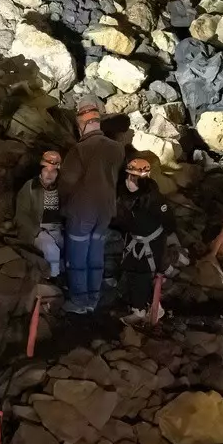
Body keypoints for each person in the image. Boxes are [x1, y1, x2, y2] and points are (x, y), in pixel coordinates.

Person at [62, 105, 127, 314]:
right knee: (96, 252)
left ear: (81, 125)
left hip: (83, 210)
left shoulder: (80, 149)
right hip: (106, 209)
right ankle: (93, 298)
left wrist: (61, 205)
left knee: (78, 255)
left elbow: (67, 181)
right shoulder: (118, 148)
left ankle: (80, 302)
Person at [110, 157, 174, 320]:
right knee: (131, 270)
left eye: (134, 178)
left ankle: (141, 309)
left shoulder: (154, 198)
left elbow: (169, 222)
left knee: (142, 274)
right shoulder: (126, 196)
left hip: (151, 243)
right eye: (129, 176)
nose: (130, 181)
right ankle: (136, 303)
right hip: (134, 240)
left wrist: (160, 245)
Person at [13, 149, 65, 280]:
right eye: (46, 170)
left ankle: (63, 278)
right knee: (51, 249)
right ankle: (52, 281)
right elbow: (21, 215)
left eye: (53, 171)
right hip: (37, 229)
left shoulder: (62, 188)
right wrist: (37, 231)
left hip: (57, 229)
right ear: (40, 169)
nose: (49, 174)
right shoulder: (30, 187)